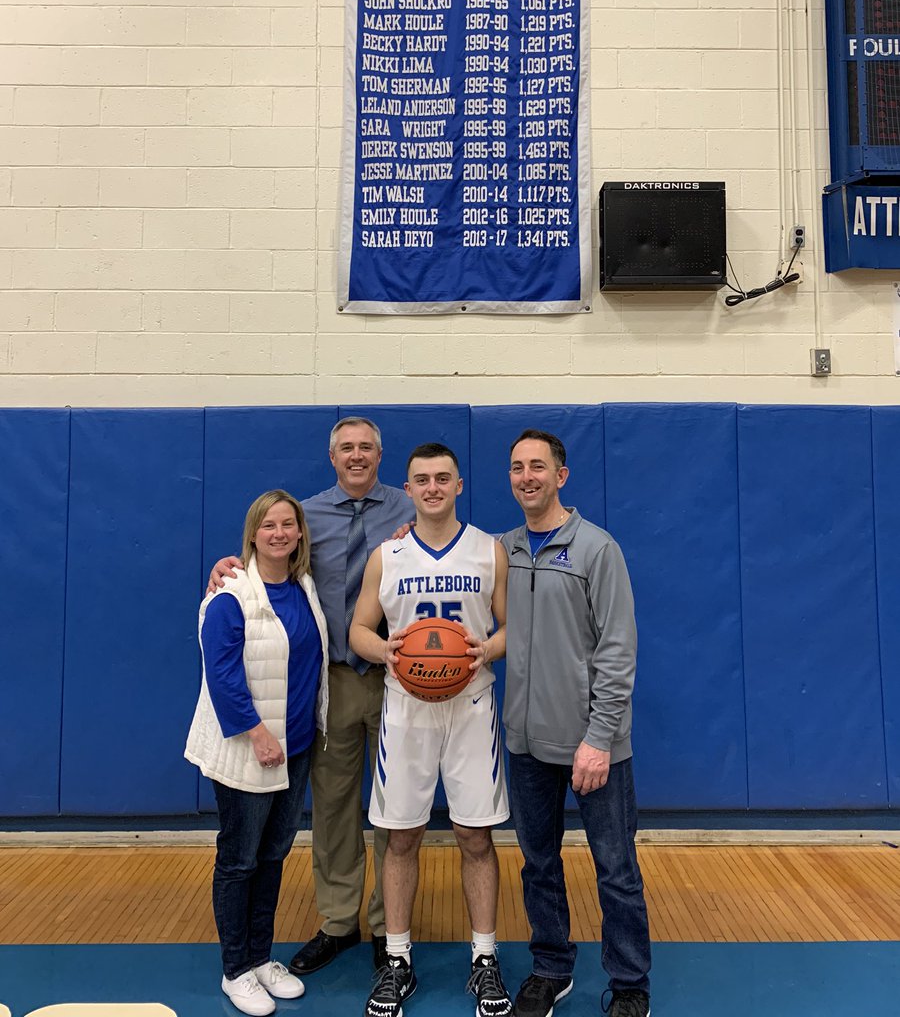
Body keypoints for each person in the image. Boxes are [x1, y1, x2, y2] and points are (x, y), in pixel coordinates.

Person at [208, 417, 415, 976]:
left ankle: (388, 927)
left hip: (401, 680)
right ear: (331, 456)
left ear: (380, 454)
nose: (356, 456)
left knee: (394, 809)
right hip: (335, 682)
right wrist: (226, 569)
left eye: (366, 448)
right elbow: (266, 568)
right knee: (333, 807)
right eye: (346, 448)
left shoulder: (410, 510)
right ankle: (339, 922)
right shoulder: (303, 516)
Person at [349, 443, 513, 1017]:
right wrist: (386, 651)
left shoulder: (489, 550)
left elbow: (512, 626)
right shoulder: (386, 554)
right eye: (423, 479)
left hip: (470, 705)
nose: (434, 487)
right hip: (405, 709)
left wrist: (485, 650)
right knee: (402, 836)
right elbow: (359, 631)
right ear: (409, 488)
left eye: (443, 478)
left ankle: (484, 958)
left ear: (460, 485)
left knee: (475, 836)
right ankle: (397, 960)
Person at [501, 430, 652, 1017]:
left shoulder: (596, 549)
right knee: (538, 863)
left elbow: (618, 651)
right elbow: (445, 559)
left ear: (561, 476)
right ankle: (551, 967)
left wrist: (598, 737)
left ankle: (630, 982)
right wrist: (403, 537)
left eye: (538, 466)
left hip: (595, 748)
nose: (527, 476)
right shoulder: (504, 548)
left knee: (615, 868)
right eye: (516, 467)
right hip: (525, 742)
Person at [186, 490, 329, 1016]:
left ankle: (261, 957)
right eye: (269, 525)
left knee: (273, 856)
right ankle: (235, 970)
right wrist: (258, 733)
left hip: (296, 748)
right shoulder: (229, 594)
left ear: (299, 533)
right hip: (249, 751)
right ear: (252, 534)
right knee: (240, 859)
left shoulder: (304, 586)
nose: (279, 533)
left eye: (288, 524)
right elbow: (221, 676)